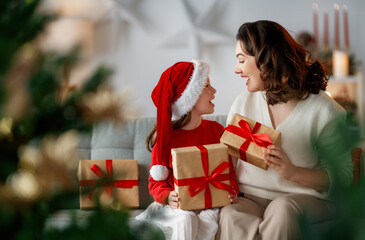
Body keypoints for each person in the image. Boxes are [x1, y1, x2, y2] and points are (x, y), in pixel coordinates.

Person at [217, 20, 354, 240]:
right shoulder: (243, 103)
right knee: (233, 214)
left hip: (304, 199)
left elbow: (342, 176)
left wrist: (293, 172)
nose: (237, 69)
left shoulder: (325, 111)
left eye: (242, 60)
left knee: (283, 211)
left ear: (265, 60)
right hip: (249, 196)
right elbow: (227, 160)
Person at [135, 60, 238, 240]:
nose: (213, 91)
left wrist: (231, 191)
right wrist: (168, 197)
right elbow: (155, 183)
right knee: (187, 218)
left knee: (207, 220)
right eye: (206, 86)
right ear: (188, 97)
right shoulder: (167, 139)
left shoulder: (216, 130)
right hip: (172, 208)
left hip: (208, 204)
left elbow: (228, 172)